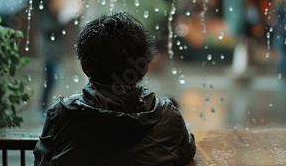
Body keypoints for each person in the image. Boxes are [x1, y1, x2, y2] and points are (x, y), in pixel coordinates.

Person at [34, 12, 196, 166]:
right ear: (145, 67)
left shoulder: (60, 116)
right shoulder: (167, 116)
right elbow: (186, 152)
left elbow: (42, 161)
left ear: (85, 68)